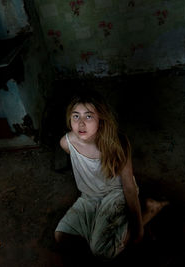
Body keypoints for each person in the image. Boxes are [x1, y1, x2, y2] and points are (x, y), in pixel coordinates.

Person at [54, 90, 168, 262]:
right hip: (89, 197)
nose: (81, 124)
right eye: (76, 116)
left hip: (115, 194)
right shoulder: (67, 143)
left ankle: (148, 209)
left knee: (101, 250)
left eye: (89, 116)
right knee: (60, 236)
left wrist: (138, 229)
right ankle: (103, 226)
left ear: (101, 118)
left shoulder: (116, 144)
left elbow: (128, 186)